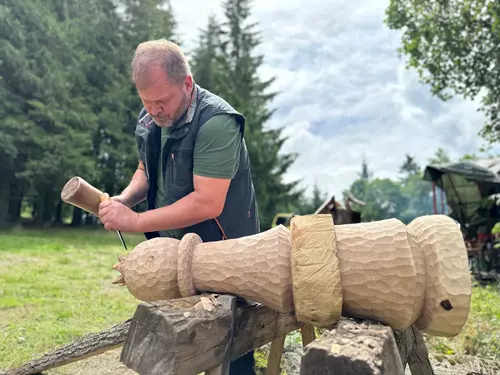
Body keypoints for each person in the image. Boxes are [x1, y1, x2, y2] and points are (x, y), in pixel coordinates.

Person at [98, 39, 260, 374]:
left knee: (232, 348)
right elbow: (146, 169)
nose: (154, 110)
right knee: (178, 342)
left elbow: (208, 201)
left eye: (162, 101)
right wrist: (125, 198)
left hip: (226, 254)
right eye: (146, 102)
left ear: (187, 83)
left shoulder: (217, 121)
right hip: (175, 254)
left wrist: (136, 220)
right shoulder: (150, 120)